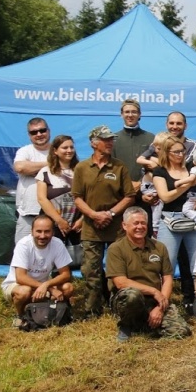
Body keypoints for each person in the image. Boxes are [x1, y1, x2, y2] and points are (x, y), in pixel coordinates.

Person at [72, 125, 135, 318]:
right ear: (93, 143)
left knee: (117, 270)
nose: (110, 143)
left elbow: (129, 196)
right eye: (105, 139)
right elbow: (77, 197)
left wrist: (109, 214)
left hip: (115, 227)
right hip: (91, 228)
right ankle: (92, 310)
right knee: (91, 270)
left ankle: (119, 307)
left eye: (111, 139)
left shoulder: (119, 166)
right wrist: (93, 215)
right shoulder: (82, 167)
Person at [106, 207, 191, 341]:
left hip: (154, 300)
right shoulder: (116, 249)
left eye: (143, 223)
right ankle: (126, 324)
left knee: (181, 332)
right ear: (124, 225)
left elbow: (168, 278)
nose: (140, 227)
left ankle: (144, 326)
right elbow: (120, 282)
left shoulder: (159, 247)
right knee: (132, 295)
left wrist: (160, 307)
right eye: (135, 223)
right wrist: (153, 291)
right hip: (128, 298)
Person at [153, 135, 196, 310]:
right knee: (168, 264)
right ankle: (164, 303)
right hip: (170, 220)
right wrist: (188, 185)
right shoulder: (160, 172)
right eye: (177, 151)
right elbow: (165, 196)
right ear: (167, 152)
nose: (181, 154)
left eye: (183, 151)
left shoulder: (192, 168)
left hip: (194, 221)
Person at [1, 215, 74, 323]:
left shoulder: (57, 244)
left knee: (68, 288)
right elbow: (20, 277)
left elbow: (66, 274)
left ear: (53, 232)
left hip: (42, 285)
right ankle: (20, 316)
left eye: (47, 231)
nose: (42, 236)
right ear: (31, 232)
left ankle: (58, 312)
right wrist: (49, 288)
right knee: (24, 291)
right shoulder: (23, 245)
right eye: (38, 231)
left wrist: (46, 285)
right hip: (17, 285)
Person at [36, 134, 82, 247]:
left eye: (71, 147)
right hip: (53, 226)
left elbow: (91, 197)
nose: (69, 150)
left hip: (77, 226)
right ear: (55, 151)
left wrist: (83, 220)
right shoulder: (45, 172)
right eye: (65, 148)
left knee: (78, 261)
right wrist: (59, 221)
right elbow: (42, 199)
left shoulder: (82, 170)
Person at [14, 116, 51, 242]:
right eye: (34, 132)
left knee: (53, 257)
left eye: (42, 130)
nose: (39, 134)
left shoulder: (59, 151)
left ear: (49, 131)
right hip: (28, 214)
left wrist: (33, 168)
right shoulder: (24, 151)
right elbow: (20, 167)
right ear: (29, 135)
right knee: (23, 254)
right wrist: (51, 165)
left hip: (54, 214)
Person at [112, 99, 154, 184]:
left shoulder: (151, 138)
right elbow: (110, 168)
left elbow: (155, 167)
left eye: (134, 112)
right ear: (121, 114)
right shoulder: (113, 139)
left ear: (139, 114)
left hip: (145, 191)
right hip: (119, 191)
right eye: (127, 112)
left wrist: (140, 183)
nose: (130, 115)